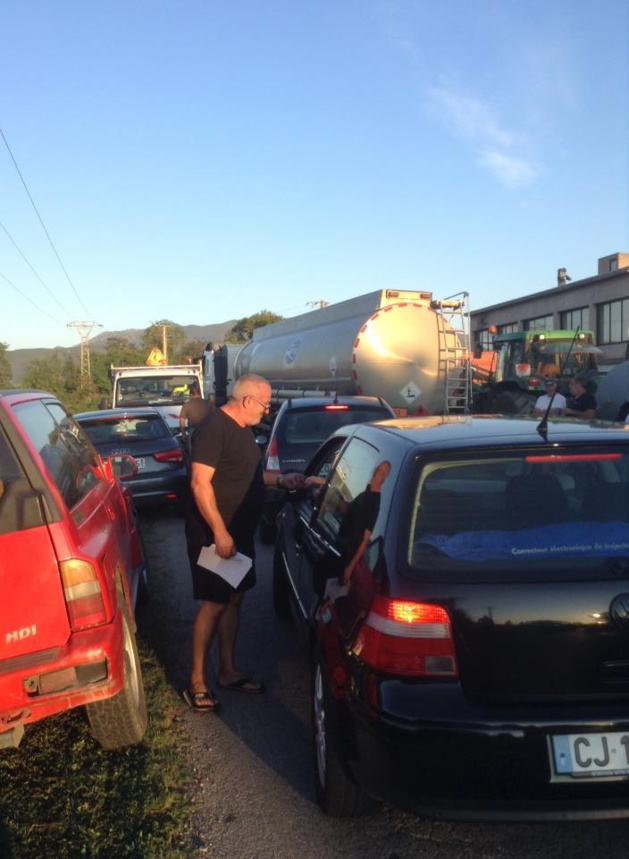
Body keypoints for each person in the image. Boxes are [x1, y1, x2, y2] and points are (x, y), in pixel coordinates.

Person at [183, 374, 304, 712]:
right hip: (214, 535)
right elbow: (199, 484)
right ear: (248, 401)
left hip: (240, 533)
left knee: (234, 600)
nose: (266, 413)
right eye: (265, 406)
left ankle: (227, 671)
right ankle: (196, 682)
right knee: (215, 603)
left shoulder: (242, 431)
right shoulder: (213, 429)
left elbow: (245, 475)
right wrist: (220, 533)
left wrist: (280, 479)